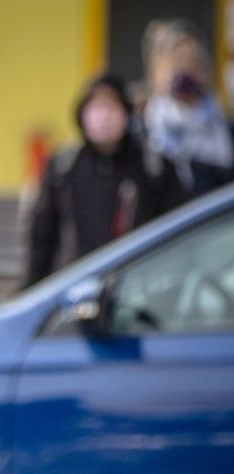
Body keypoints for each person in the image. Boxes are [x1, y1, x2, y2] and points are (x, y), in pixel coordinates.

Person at [27, 73, 185, 287]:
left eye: (111, 106)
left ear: (125, 112)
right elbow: (42, 236)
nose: (103, 116)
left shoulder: (153, 166)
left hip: (139, 290)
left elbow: (177, 230)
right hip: (74, 289)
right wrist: (32, 287)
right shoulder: (64, 167)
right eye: (95, 106)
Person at [142, 19, 234, 196]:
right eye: (176, 62)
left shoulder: (224, 129)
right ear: (156, 73)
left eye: (193, 62)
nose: (185, 70)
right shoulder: (144, 131)